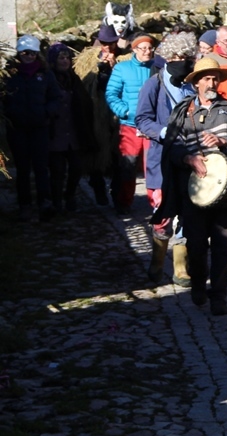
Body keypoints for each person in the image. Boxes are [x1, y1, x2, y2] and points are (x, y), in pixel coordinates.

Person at [155, 58, 227, 316]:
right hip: (193, 192)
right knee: (197, 245)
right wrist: (188, 158)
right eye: (207, 78)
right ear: (196, 82)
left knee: (223, 246)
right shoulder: (182, 112)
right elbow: (173, 146)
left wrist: (224, 142)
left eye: (215, 78)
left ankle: (219, 296)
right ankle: (199, 284)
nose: (212, 83)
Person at [135, 31, 197, 285]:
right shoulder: (155, 84)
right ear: (168, 57)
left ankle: (180, 267)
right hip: (161, 159)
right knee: (162, 214)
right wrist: (164, 131)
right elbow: (142, 119)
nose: (181, 61)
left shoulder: (192, 85)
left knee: (188, 211)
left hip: (190, 158)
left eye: (186, 57)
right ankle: (157, 262)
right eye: (176, 56)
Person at [4, 35, 61, 222]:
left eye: (32, 53)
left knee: (41, 167)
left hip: (40, 127)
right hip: (17, 128)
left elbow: (55, 97)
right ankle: (25, 204)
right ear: (19, 54)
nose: (29, 56)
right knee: (22, 168)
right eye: (25, 53)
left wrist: (47, 112)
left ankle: (44, 202)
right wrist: (9, 114)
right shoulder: (10, 73)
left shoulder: (45, 73)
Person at [105, 33, 157, 215]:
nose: (147, 52)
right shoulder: (122, 68)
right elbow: (112, 94)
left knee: (152, 166)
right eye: (143, 48)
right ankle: (123, 202)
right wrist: (125, 111)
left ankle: (156, 205)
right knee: (127, 165)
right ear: (134, 49)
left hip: (152, 126)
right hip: (130, 125)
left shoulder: (158, 67)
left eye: (150, 48)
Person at [75, 24, 125, 208]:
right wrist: (99, 73)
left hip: (117, 115)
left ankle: (117, 194)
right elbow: (84, 85)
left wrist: (114, 69)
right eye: (104, 43)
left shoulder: (124, 59)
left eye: (110, 43)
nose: (107, 47)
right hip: (96, 116)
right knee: (95, 155)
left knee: (119, 157)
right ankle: (98, 189)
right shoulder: (88, 60)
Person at [47, 42, 95, 214]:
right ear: (53, 60)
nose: (65, 61)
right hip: (56, 134)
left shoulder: (74, 80)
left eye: (67, 57)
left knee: (76, 169)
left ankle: (70, 196)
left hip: (74, 134)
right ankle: (57, 201)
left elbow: (85, 105)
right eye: (61, 58)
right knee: (57, 171)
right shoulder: (48, 80)